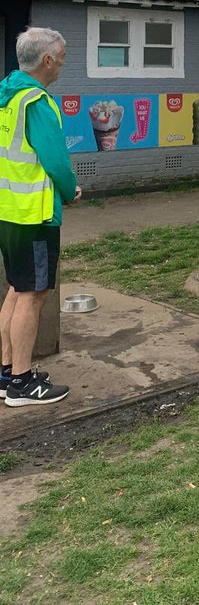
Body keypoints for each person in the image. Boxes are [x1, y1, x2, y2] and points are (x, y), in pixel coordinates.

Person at [0, 28, 81, 406]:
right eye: (61, 55)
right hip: (34, 214)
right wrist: (70, 190)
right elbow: (56, 162)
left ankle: (6, 372)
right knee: (33, 295)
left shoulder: (7, 95)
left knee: (17, 290)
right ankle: (21, 382)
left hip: (8, 211)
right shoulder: (38, 102)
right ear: (47, 60)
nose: (63, 61)